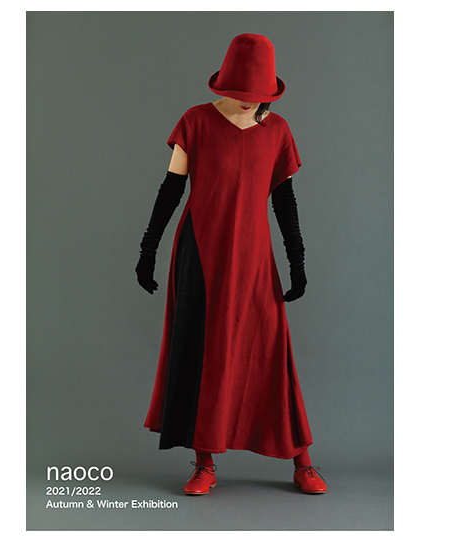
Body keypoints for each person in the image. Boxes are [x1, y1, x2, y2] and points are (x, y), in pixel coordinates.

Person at [136, 33, 326, 496]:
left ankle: (302, 461)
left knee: (271, 353)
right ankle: (204, 463)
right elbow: (171, 190)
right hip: (200, 253)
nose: (248, 102)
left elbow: (284, 200)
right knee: (203, 350)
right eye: (241, 92)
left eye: (256, 95)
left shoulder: (277, 130)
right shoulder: (195, 121)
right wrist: (148, 248)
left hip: (253, 257)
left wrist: (297, 259)